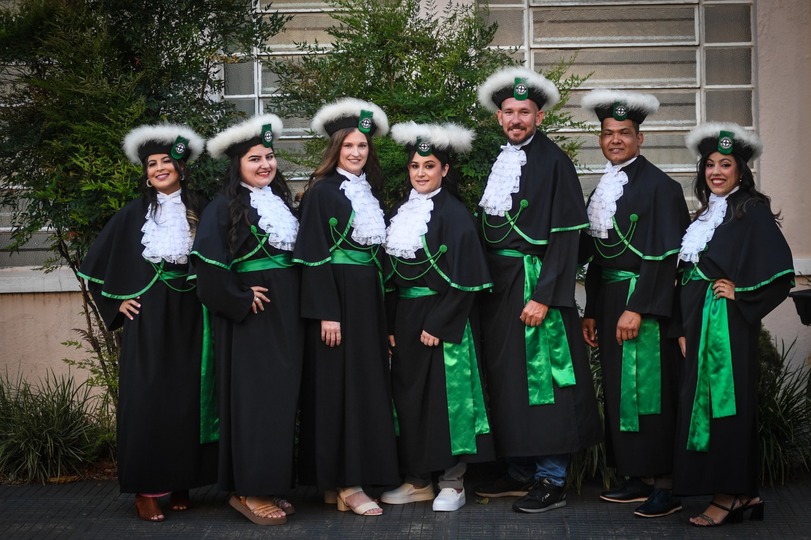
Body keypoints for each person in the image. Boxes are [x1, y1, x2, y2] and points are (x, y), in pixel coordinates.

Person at [472, 67, 602, 513]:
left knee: (546, 382)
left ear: (539, 117)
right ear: (499, 118)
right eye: (508, 112)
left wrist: (545, 295)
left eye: (523, 112)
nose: (515, 119)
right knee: (511, 382)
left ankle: (552, 478)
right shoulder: (502, 158)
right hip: (500, 290)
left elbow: (567, 236)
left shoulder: (555, 163)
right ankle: (522, 471)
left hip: (534, 286)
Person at [78, 124, 216, 522]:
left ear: (181, 168)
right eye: (152, 164)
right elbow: (98, 264)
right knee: (149, 396)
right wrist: (119, 302)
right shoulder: (133, 213)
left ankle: (181, 482)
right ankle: (145, 490)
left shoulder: (202, 208)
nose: (159, 168)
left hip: (192, 311)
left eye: (166, 162)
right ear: (146, 172)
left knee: (188, 394)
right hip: (149, 314)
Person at [673, 123, 794, 527]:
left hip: (725, 327)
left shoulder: (750, 210)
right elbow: (688, 274)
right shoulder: (708, 213)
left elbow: (781, 272)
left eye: (726, 164)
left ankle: (729, 495)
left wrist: (740, 295)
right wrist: (685, 328)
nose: (717, 171)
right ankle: (745, 495)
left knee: (728, 407)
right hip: (698, 323)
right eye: (710, 164)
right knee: (703, 407)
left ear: (741, 170)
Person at [579, 89, 690, 518]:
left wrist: (639, 306)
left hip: (642, 302)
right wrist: (591, 310)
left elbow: (665, 255)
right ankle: (637, 475)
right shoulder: (604, 186)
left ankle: (666, 481)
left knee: (650, 390)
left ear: (640, 138)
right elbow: (596, 253)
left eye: (624, 133)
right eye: (608, 134)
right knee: (621, 389)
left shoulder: (661, 186)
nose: (615, 141)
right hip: (608, 302)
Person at [191, 114, 303, 526]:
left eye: (270, 157)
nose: (265, 165)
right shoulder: (223, 207)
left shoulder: (280, 203)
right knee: (254, 404)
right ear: (237, 163)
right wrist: (239, 296)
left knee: (278, 402)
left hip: (285, 318)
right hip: (251, 323)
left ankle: (268, 483)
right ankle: (248, 490)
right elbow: (207, 270)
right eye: (255, 158)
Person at [380, 122, 495, 512]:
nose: (421, 173)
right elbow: (393, 276)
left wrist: (439, 323)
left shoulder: (456, 214)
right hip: (408, 319)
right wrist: (392, 324)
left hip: (443, 321)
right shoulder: (400, 211)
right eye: (415, 166)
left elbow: (468, 281)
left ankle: (452, 481)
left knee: (447, 400)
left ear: (445, 170)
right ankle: (417, 480)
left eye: (429, 166)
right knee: (409, 399)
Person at [293, 98, 399, 516]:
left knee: (364, 387)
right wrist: (327, 312)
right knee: (337, 391)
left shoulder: (368, 191)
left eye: (363, 146)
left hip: (366, 301)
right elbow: (313, 255)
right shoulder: (321, 192)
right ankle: (348, 483)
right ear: (335, 148)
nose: (357, 152)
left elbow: (378, 256)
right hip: (337, 304)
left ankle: (341, 481)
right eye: (349, 145)